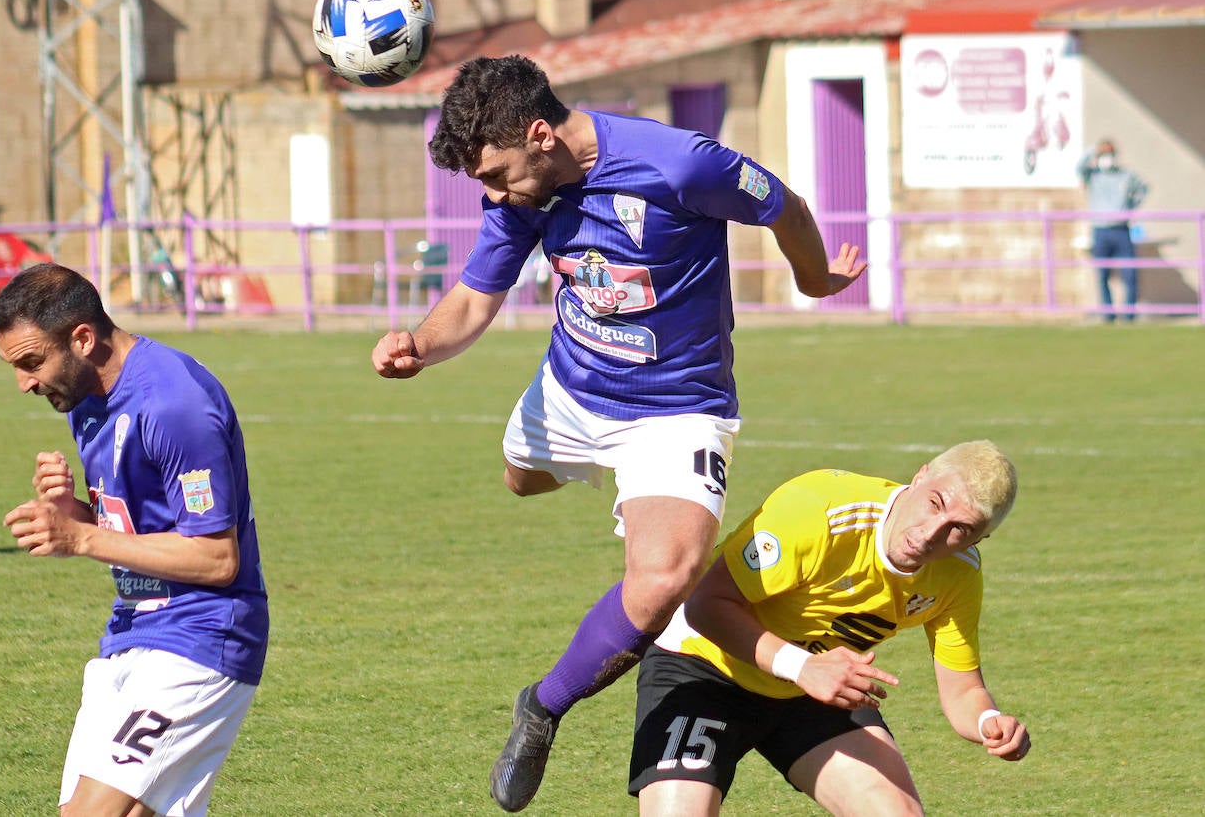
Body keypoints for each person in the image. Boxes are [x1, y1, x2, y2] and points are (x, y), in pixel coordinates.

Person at [370, 54, 866, 812]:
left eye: (497, 175)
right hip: (568, 391)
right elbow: (472, 301)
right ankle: (593, 477)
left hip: (675, 409)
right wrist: (417, 345)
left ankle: (540, 708)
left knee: (664, 578)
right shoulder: (520, 196)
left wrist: (813, 278)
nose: (493, 195)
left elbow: (784, 207)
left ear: (539, 134)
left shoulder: (681, 164)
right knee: (520, 478)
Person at [0, 263, 269, 817]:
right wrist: (79, 513)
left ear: (82, 338)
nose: (24, 382)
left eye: (31, 362)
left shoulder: (174, 403)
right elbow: (147, 522)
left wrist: (78, 538)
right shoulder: (84, 397)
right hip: (130, 631)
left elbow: (216, 558)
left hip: (202, 633)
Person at [629, 440, 1031, 816]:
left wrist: (988, 722)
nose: (931, 534)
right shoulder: (819, 509)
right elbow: (704, 605)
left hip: (813, 687)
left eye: (960, 529)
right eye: (935, 503)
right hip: (705, 666)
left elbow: (962, 690)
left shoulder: (958, 576)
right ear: (921, 475)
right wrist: (803, 667)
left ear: (982, 538)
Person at [1078, 138, 1148, 322]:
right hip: (1100, 230)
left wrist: (1130, 207)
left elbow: (1143, 188)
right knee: (1102, 274)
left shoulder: (1125, 175)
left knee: (1130, 274)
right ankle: (1108, 314)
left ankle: (1129, 316)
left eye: (1109, 154)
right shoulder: (1093, 175)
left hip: (1121, 230)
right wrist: (1093, 149)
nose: (1107, 158)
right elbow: (1078, 167)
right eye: (1103, 154)